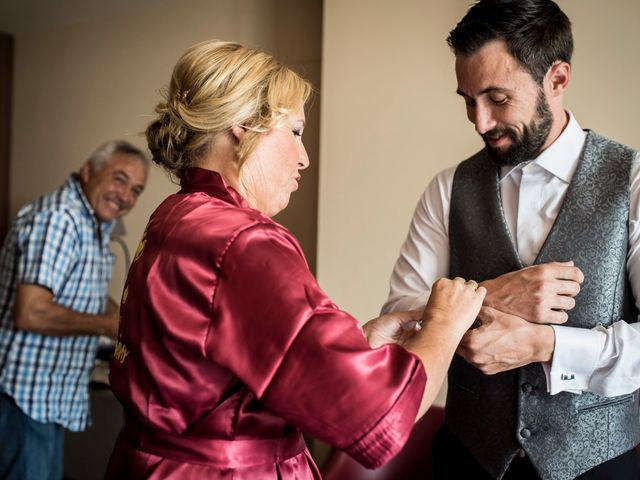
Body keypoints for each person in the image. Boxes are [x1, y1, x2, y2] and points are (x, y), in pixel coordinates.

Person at [105, 39, 486, 479]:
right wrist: (445, 325)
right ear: (244, 125)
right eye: (296, 132)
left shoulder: (175, 216)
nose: (304, 157)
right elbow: (376, 419)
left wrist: (360, 344)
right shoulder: (244, 240)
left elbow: (216, 377)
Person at [382, 1, 640, 479]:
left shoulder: (632, 181)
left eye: (497, 99)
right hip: (467, 460)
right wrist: (495, 295)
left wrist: (546, 344)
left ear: (557, 80)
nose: (479, 122)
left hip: (600, 465)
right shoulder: (447, 188)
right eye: (467, 99)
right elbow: (400, 319)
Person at [0, 140, 148, 479]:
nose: (125, 196)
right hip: (24, 396)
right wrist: (106, 324)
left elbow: (87, 294)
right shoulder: (59, 219)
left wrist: (127, 318)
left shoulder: (90, 223)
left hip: (47, 397)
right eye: (119, 179)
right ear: (88, 171)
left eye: (135, 189)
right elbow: (31, 311)